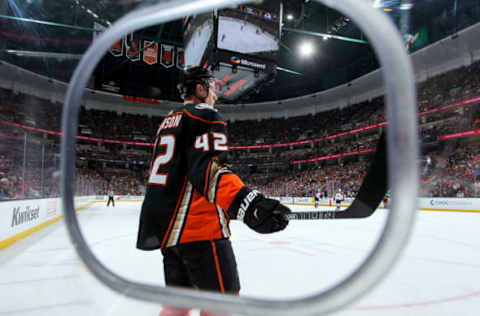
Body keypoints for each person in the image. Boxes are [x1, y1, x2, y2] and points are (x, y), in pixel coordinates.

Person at [136, 66, 291, 316]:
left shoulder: (167, 120)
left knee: (176, 306)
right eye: (212, 88)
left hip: (169, 233)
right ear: (199, 88)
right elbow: (207, 169)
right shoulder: (204, 115)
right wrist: (248, 203)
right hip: (200, 231)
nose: (215, 95)